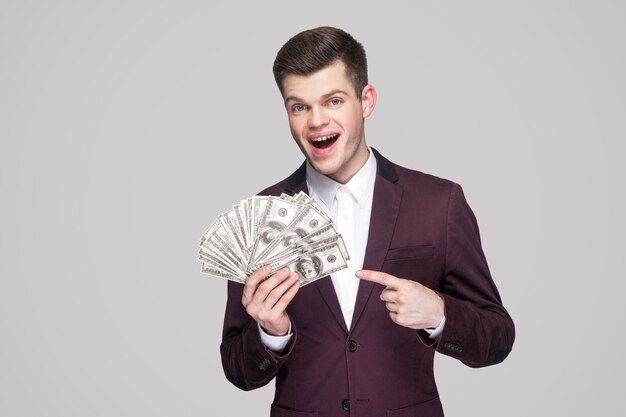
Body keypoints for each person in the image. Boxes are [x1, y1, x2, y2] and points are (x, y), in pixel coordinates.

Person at [220, 26, 515, 417]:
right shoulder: (260, 217)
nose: (316, 122)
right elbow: (238, 371)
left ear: (366, 101)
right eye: (299, 107)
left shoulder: (438, 203)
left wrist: (440, 315)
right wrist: (271, 333)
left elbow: (496, 339)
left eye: (334, 101)